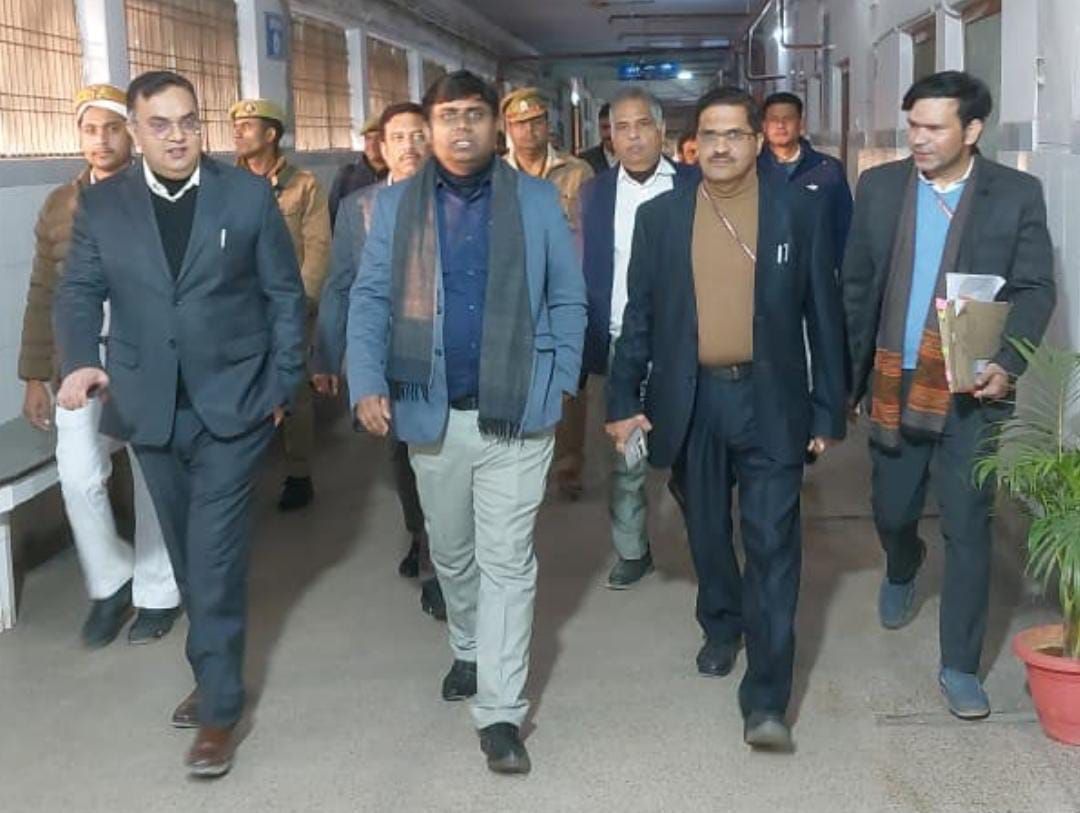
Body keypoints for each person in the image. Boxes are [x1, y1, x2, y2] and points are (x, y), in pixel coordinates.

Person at [54, 70, 306, 778]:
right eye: (160, 124)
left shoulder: (246, 195)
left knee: (214, 555)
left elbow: (285, 295)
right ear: (135, 132)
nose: (177, 136)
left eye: (189, 121)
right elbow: (78, 291)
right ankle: (212, 669)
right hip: (149, 405)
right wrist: (79, 360)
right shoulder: (103, 205)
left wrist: (282, 384)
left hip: (236, 403)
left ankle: (221, 709)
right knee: (193, 558)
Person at [348, 70, 585, 774]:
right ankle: (468, 647)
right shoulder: (395, 207)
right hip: (432, 410)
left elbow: (568, 295)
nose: (461, 127)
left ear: (495, 125)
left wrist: (562, 377)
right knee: (452, 552)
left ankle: (500, 711)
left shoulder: (536, 201)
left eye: (474, 114)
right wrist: (367, 380)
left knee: (507, 560)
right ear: (429, 127)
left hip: (518, 409)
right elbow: (370, 298)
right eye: (448, 115)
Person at [605, 86, 847, 750]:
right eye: (709, 135)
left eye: (734, 134)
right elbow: (639, 317)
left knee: (772, 542)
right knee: (707, 529)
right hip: (692, 400)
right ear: (692, 145)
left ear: (757, 140)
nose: (720, 147)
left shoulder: (798, 211)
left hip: (771, 400)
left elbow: (825, 316)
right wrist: (623, 400)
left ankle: (766, 699)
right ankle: (720, 621)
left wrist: (828, 407)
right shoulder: (661, 218)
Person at [842, 71, 1056, 720]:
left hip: (971, 385)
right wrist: (845, 378)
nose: (919, 139)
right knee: (892, 508)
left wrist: (1008, 364)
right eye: (913, 126)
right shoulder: (881, 187)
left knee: (968, 523)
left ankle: (959, 665)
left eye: (934, 127)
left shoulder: (1014, 193)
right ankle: (902, 563)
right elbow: (857, 284)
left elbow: (1034, 287)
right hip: (894, 376)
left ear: (972, 129)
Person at [17, 84, 179, 648]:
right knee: (80, 474)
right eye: (90, 129)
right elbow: (43, 291)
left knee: (151, 471)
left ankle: (158, 591)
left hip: (144, 357)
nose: (101, 140)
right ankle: (111, 580)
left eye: (112, 128)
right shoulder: (60, 204)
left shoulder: (157, 194)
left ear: (130, 134)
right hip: (79, 360)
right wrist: (34, 376)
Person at [311, 101, 445, 618]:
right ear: (381, 149)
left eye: (419, 135)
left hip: (446, 349)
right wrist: (327, 354)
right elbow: (342, 283)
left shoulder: (455, 199)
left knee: (444, 451)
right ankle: (421, 534)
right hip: (389, 351)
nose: (410, 146)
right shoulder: (358, 208)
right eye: (399, 137)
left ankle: (442, 555)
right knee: (403, 451)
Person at [579, 86, 697, 589]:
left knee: (692, 452)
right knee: (625, 456)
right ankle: (633, 550)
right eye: (620, 128)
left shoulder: (693, 183)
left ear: (661, 131)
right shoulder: (596, 193)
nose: (631, 137)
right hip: (619, 342)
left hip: (683, 343)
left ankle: (705, 538)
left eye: (641, 125)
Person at [232, 98, 331, 511]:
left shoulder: (303, 185)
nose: (238, 132)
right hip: (239, 307)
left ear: (271, 134)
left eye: (247, 126)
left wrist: (303, 302)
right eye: (236, 126)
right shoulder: (226, 184)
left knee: (293, 388)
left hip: (288, 304)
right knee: (239, 385)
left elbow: (318, 247)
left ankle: (298, 472)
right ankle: (240, 472)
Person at [502, 87, 594, 500]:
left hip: (562, 292)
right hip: (511, 294)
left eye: (536, 121)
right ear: (508, 129)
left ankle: (569, 463)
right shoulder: (495, 175)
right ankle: (522, 460)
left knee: (569, 379)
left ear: (548, 125)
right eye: (520, 124)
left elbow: (592, 234)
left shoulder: (577, 172)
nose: (529, 130)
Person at [759, 92, 852, 273]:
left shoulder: (828, 169)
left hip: (816, 272)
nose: (780, 125)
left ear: (801, 124)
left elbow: (844, 226)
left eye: (788, 118)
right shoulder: (752, 169)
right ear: (764, 126)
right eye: (774, 119)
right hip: (765, 271)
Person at [328, 114, 388, 227]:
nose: (372, 144)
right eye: (368, 138)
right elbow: (333, 216)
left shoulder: (397, 176)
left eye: (378, 139)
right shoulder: (347, 176)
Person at [579, 102, 615, 175]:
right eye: (605, 127)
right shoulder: (585, 160)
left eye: (614, 127)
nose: (610, 133)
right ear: (599, 128)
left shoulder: (636, 159)